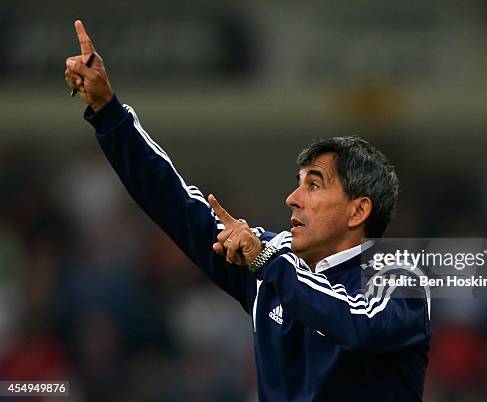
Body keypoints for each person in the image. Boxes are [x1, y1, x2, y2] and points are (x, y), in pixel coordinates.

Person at [65, 20, 431, 402]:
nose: (293, 198)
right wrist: (109, 112)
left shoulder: (397, 277)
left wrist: (268, 261)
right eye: (298, 182)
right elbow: (172, 201)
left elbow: (355, 323)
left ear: (358, 211)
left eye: (314, 184)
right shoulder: (271, 262)